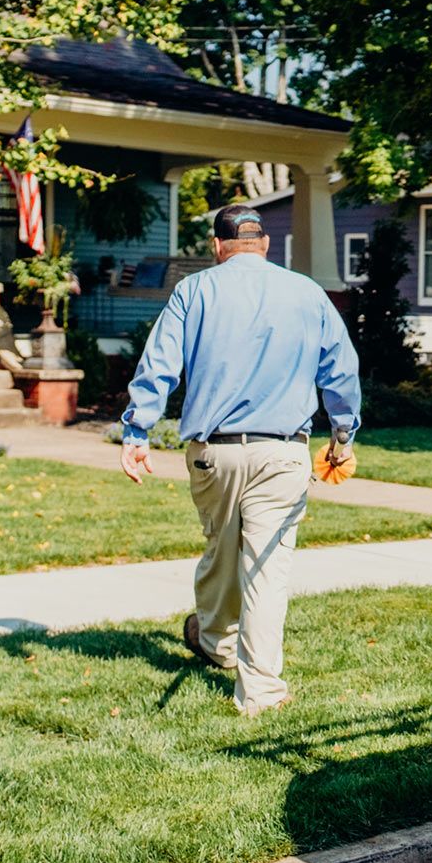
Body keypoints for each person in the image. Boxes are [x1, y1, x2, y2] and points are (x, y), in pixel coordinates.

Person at [120, 203, 361, 716]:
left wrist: (137, 429)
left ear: (216, 246)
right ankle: (257, 686)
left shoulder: (195, 291)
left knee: (222, 553)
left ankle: (216, 642)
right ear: (266, 245)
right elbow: (340, 371)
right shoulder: (307, 293)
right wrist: (342, 436)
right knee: (265, 569)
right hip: (284, 452)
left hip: (214, 453)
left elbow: (159, 363)